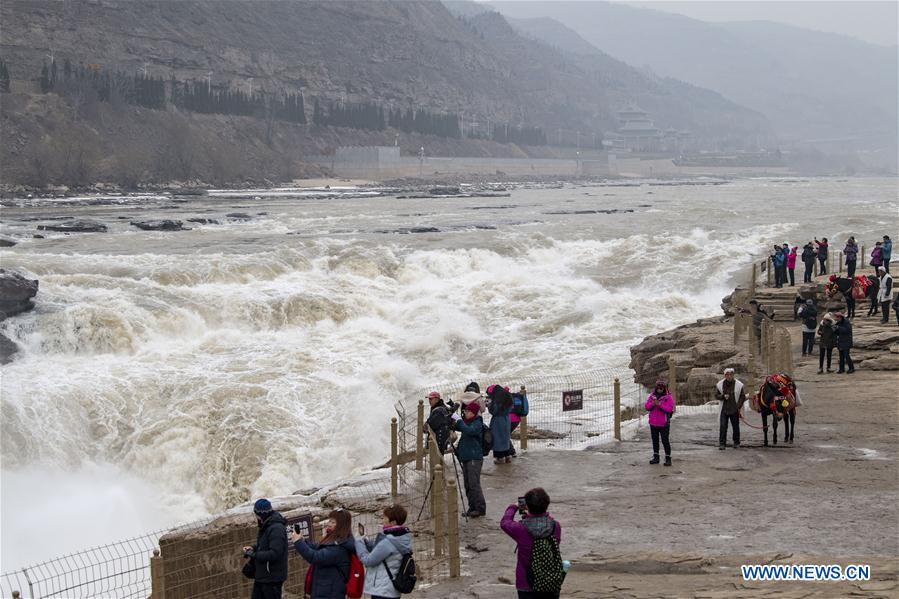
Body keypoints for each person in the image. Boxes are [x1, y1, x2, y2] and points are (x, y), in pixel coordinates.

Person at [500, 487, 563, 599]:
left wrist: (513, 506)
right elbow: (556, 544)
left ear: (527, 506)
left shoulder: (520, 528)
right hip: (551, 582)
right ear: (547, 504)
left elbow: (505, 523)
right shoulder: (555, 526)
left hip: (526, 583)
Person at [290, 508, 356, 599]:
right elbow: (318, 546)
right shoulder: (336, 538)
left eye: (333, 522)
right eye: (330, 521)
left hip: (330, 593)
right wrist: (303, 541)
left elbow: (315, 557)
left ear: (341, 525)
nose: (329, 524)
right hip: (325, 589)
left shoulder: (339, 547)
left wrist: (298, 542)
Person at [354, 505, 413, 599]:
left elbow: (368, 561)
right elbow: (378, 550)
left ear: (393, 522)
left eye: (385, 518)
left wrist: (358, 541)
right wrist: (365, 540)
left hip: (382, 590)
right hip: (392, 589)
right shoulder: (402, 537)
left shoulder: (388, 542)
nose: (383, 520)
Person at [243, 498, 288, 599]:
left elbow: (275, 553)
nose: (256, 517)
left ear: (262, 514)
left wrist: (254, 554)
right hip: (262, 576)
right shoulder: (267, 525)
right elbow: (264, 545)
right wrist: (253, 548)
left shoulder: (276, 528)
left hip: (272, 578)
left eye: (257, 514)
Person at [451, 398, 487, 517]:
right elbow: (460, 427)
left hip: (474, 458)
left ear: (473, 413)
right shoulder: (468, 422)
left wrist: (459, 420)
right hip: (466, 457)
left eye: (467, 411)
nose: (465, 413)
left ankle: (480, 508)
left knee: (474, 484)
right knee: (467, 484)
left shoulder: (477, 422)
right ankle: (472, 507)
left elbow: (470, 431)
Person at [644, 381, 674, 466]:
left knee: (665, 440)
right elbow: (647, 407)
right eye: (658, 388)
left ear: (664, 388)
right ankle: (656, 457)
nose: (659, 390)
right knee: (655, 440)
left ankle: (668, 458)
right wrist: (653, 404)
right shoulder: (652, 396)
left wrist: (660, 404)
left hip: (664, 423)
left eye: (661, 388)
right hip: (653, 423)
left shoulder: (668, 397)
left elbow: (669, 409)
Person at [715, 368, 745, 450]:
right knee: (723, 426)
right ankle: (722, 444)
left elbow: (743, 396)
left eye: (731, 374)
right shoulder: (720, 384)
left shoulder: (739, 385)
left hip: (734, 409)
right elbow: (716, 395)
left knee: (735, 426)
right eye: (727, 374)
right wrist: (723, 396)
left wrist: (738, 407)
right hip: (724, 409)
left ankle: (736, 442)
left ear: (733, 375)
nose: (729, 376)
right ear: (725, 375)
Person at [486, 384, 514, 465]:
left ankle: (500, 458)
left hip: (498, 421)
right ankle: (507, 456)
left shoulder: (497, 400)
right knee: (505, 438)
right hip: (506, 419)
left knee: (497, 439)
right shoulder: (508, 396)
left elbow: (493, 411)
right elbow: (511, 407)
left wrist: (489, 405)